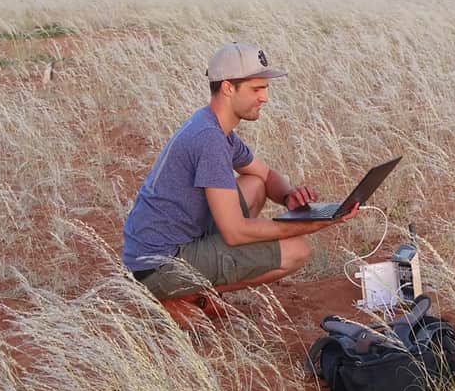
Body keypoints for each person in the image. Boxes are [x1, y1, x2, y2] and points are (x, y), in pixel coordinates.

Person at [122, 42, 357, 325]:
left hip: (165, 247)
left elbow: (267, 176)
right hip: (160, 266)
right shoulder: (208, 139)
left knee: (254, 183)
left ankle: (195, 288)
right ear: (228, 88)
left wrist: (288, 197)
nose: (265, 98)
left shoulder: (214, 126)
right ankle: (182, 296)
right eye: (257, 89)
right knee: (297, 250)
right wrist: (314, 223)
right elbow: (235, 232)